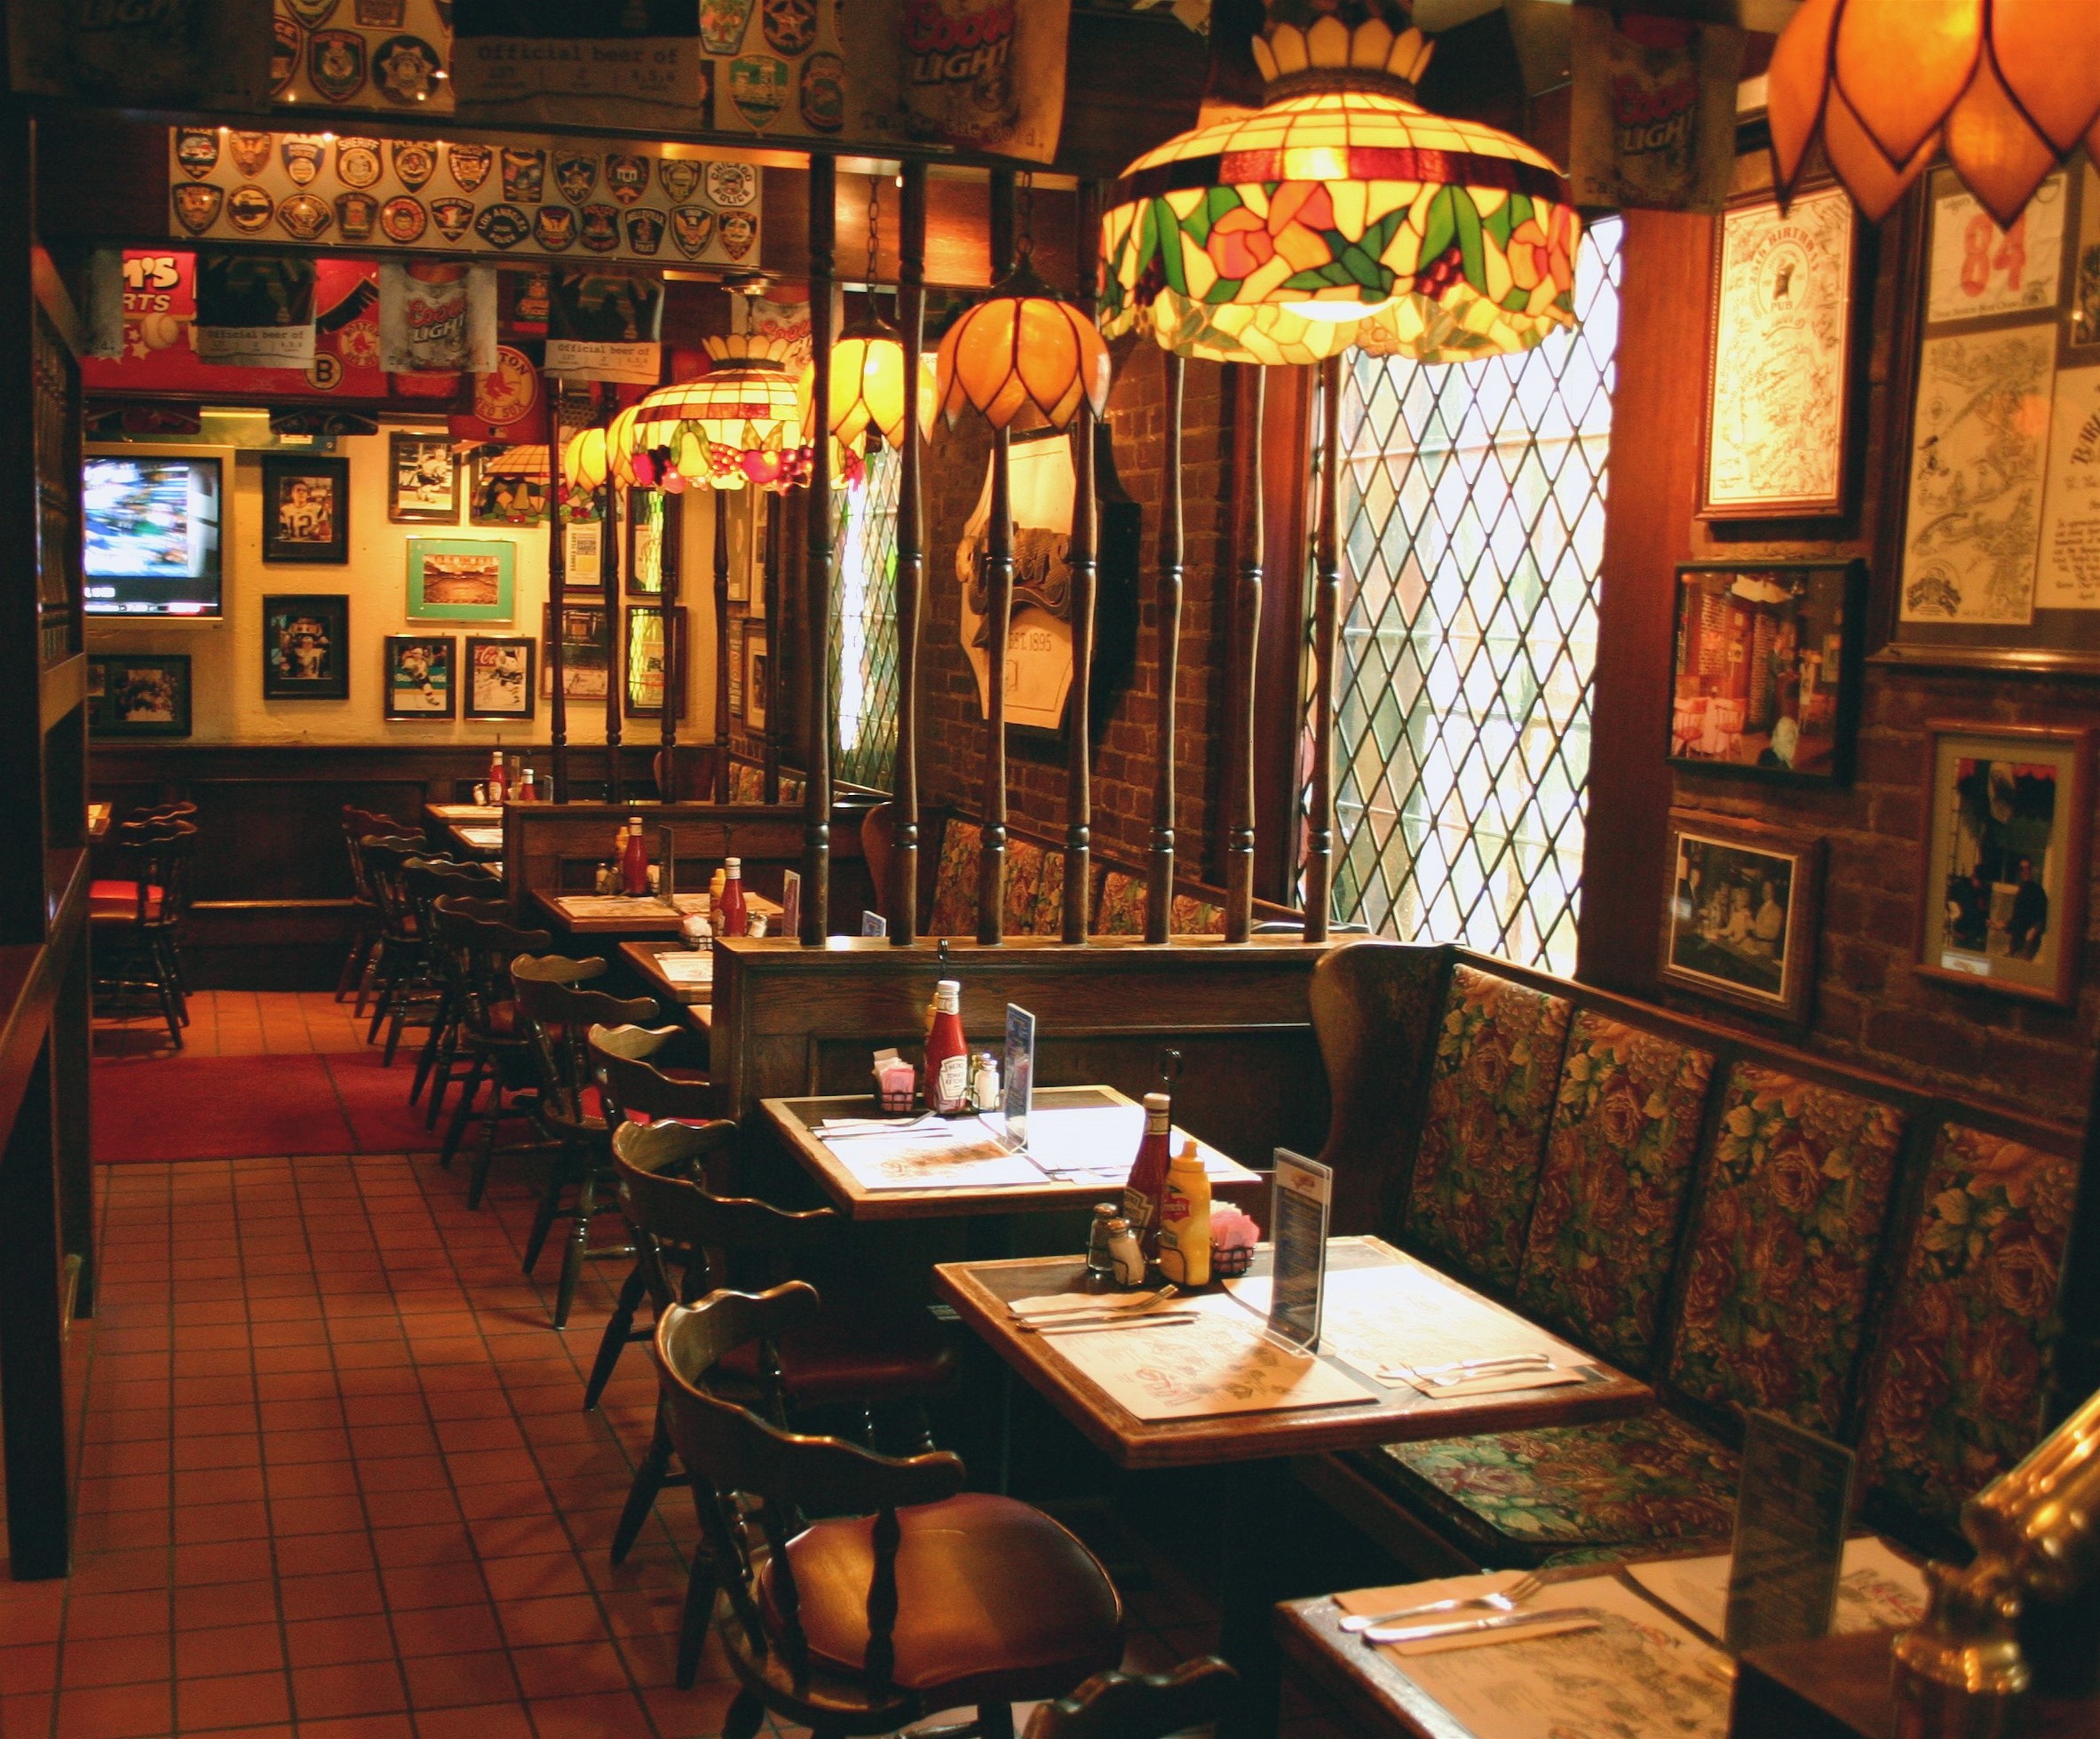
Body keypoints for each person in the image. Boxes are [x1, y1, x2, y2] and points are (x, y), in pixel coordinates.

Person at [2008, 855, 2048, 960]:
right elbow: (2018, 916)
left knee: (2019, 969)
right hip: (2017, 938)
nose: (2025, 871)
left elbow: (2042, 916)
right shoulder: (2021, 890)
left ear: (2031, 870)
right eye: (2022, 868)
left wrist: (2033, 932)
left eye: (2028, 868)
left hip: (2028, 941)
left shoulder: (2037, 890)